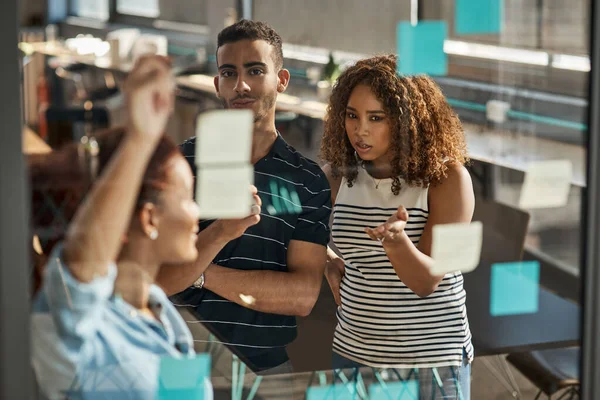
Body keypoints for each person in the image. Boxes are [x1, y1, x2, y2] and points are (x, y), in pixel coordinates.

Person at [30, 56, 212, 399]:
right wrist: (139, 139)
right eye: (187, 197)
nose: (196, 211)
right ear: (149, 219)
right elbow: (81, 272)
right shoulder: (78, 322)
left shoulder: (159, 309)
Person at [157, 19, 332, 374]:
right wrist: (222, 231)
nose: (241, 85)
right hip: (180, 359)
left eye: (255, 70)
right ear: (217, 84)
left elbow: (301, 297)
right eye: (229, 73)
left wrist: (199, 274)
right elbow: (159, 279)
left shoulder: (307, 180)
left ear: (281, 81)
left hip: (266, 367)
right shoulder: (178, 165)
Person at [320, 55, 474, 399]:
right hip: (354, 352)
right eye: (352, 115)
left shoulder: (447, 179)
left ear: (407, 121)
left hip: (430, 360)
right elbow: (301, 234)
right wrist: (328, 260)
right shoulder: (337, 176)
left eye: (376, 118)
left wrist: (396, 243)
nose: (360, 130)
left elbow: (427, 281)